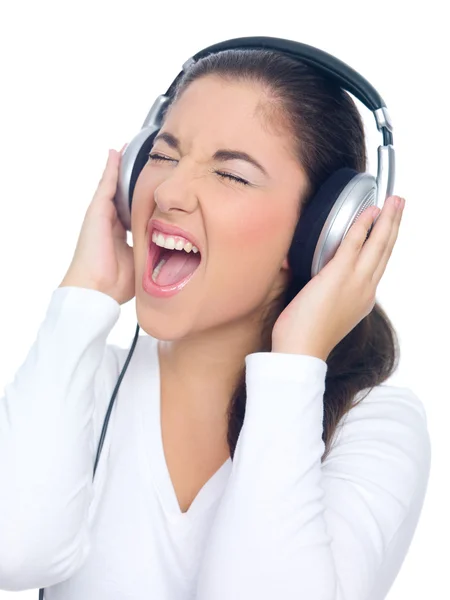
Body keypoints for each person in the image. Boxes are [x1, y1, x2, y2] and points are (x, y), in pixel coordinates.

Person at [0, 47, 430, 600]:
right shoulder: (83, 383)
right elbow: (12, 552)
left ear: (323, 234)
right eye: (162, 155)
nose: (169, 194)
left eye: (231, 173)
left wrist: (295, 363)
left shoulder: (372, 427)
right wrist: (81, 300)